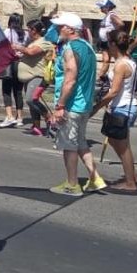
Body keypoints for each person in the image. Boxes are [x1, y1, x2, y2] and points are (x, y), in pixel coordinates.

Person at [48, 13, 106, 196]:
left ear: (70, 29)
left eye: (60, 26)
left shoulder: (70, 48)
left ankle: (72, 184)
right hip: (85, 104)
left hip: (72, 104)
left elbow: (70, 79)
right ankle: (95, 177)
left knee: (69, 145)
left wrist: (60, 106)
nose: (58, 29)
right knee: (80, 142)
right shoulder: (88, 46)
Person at [93, 29, 137, 191]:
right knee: (119, 142)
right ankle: (133, 175)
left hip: (123, 107)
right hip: (125, 105)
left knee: (122, 146)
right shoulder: (128, 60)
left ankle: (130, 182)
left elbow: (114, 91)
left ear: (114, 44)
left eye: (108, 43)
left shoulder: (121, 65)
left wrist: (97, 107)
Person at [13, 19, 55, 137]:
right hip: (29, 76)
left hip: (38, 75)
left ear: (34, 30)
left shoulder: (44, 42)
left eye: (28, 29)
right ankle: (36, 126)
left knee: (31, 99)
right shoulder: (32, 41)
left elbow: (31, 52)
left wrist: (18, 47)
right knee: (32, 103)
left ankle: (50, 118)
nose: (27, 32)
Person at [0, 13, 28, 128]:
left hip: (9, 63)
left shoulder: (7, 32)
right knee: (18, 91)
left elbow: (1, 46)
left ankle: (9, 116)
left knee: (6, 90)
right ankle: (19, 117)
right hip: (20, 63)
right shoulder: (25, 34)